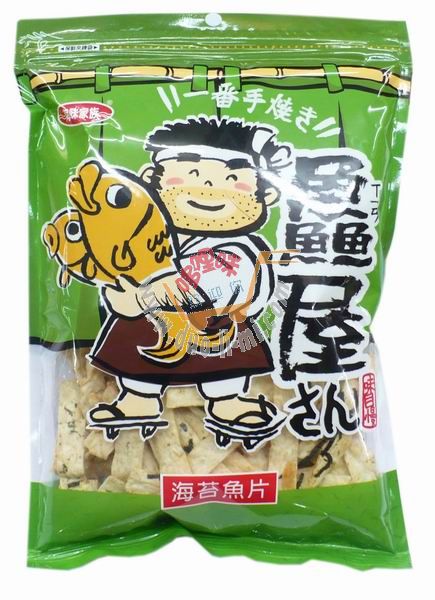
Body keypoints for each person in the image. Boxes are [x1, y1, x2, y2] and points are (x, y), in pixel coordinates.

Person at [88, 116, 293, 450]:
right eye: (191, 174)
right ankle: (138, 399)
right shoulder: (144, 237)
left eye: (232, 179)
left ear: (265, 194)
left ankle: (228, 402)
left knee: (226, 366)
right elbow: (121, 272)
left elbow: (229, 280)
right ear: (151, 181)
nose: (208, 187)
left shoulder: (240, 249)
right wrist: (121, 294)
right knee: (136, 356)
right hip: (150, 326)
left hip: (217, 326)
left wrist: (151, 293)